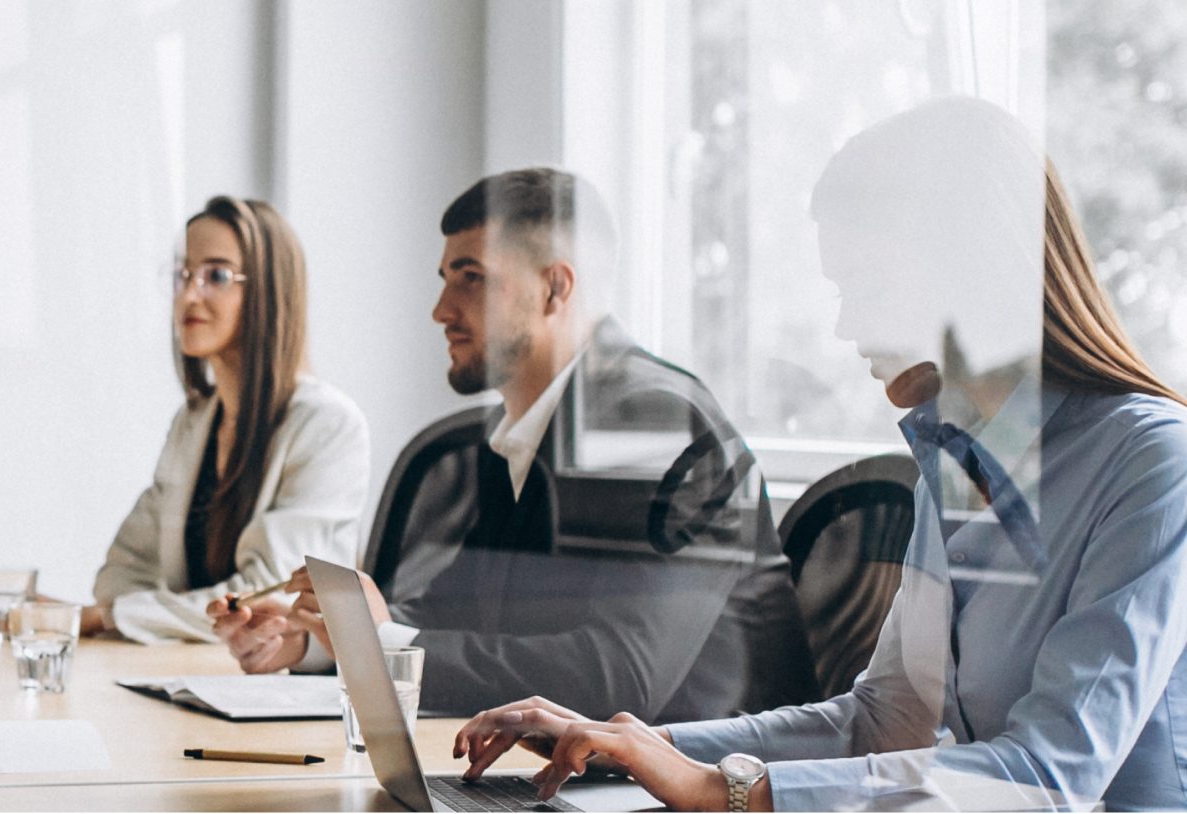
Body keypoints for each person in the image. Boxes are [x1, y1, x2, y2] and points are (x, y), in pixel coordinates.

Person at [454, 98, 1187, 813]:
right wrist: (639, 744)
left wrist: (729, 793)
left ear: (967, 271)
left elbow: (1050, 776)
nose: (846, 325)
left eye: (866, 286)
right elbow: (881, 718)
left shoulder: (1153, 463)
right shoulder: (962, 456)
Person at [209, 169, 812, 723]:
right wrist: (321, 642)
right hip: (565, 774)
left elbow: (619, 679)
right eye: (445, 279)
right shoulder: (528, 428)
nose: (441, 310)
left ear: (555, 288)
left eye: (471, 278)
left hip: (700, 785)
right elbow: (457, 619)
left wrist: (383, 641)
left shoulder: (653, 424)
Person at [85, 196, 373, 643]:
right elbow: (121, 574)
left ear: (268, 291)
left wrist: (114, 618)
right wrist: (125, 613)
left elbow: (267, 598)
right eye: (183, 275)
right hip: (190, 670)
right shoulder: (194, 421)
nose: (189, 294)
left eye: (216, 276)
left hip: (274, 686)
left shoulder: (328, 425)